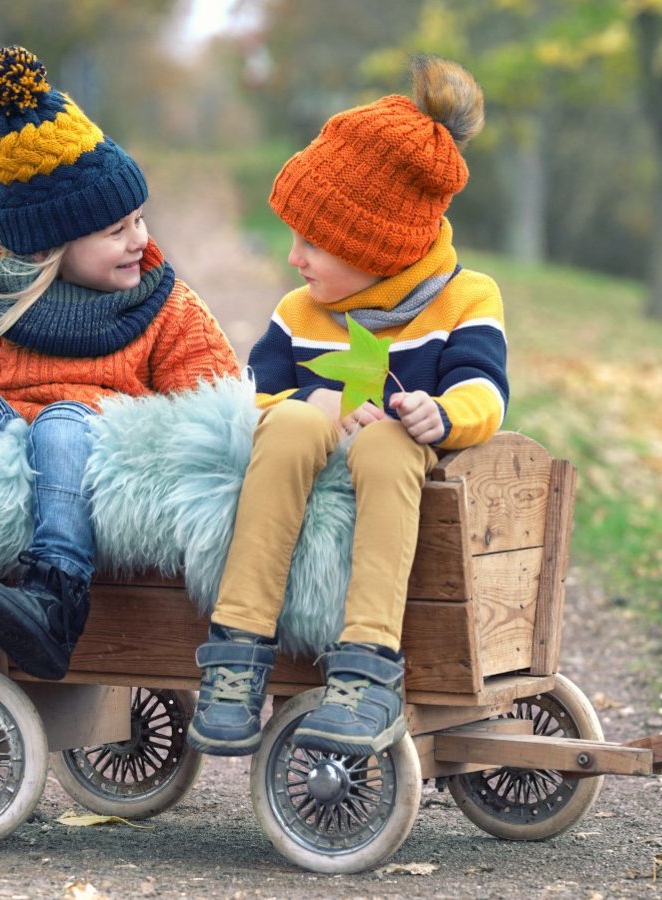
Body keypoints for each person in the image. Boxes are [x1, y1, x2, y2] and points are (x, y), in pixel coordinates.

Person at [186, 55, 508, 757]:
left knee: (391, 441)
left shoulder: (464, 300)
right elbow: (258, 396)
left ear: (379, 245)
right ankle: (238, 647)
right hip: (302, 461)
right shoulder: (300, 312)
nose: (294, 257)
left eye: (315, 243)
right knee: (296, 417)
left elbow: (486, 390)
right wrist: (319, 402)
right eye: (293, 238)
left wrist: (442, 416)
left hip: (395, 465)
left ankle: (368, 664)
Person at [0, 46, 239, 682]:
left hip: (91, 456)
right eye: (114, 231)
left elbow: (215, 404)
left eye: (139, 219)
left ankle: (54, 596)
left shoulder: (163, 307)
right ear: (52, 244)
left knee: (63, 422)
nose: (139, 239)